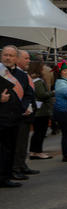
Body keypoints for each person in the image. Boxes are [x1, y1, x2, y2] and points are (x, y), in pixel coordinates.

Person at [0, 46, 27, 188]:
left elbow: (27, 94)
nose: (8, 58)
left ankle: (6, 177)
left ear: (16, 58)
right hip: (1, 116)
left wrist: (25, 108)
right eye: (5, 55)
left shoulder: (22, 75)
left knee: (10, 149)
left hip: (15, 118)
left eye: (11, 55)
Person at [12, 50, 39, 180]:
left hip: (28, 113)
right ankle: (15, 168)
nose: (29, 61)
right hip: (20, 114)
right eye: (26, 58)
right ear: (17, 59)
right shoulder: (14, 75)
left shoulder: (23, 74)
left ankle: (22, 165)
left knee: (23, 142)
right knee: (18, 143)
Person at [28, 60, 55, 160]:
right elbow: (42, 95)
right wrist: (52, 93)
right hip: (41, 110)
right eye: (42, 66)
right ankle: (38, 152)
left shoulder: (32, 78)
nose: (43, 68)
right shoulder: (38, 81)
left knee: (37, 132)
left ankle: (33, 152)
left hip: (37, 109)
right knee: (40, 132)